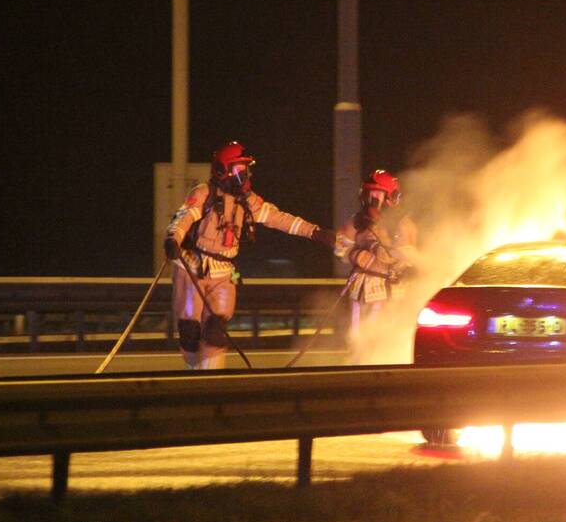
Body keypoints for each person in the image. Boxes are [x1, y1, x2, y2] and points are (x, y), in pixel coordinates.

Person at [164, 141, 335, 370]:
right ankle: (193, 375)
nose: (244, 176)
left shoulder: (248, 202)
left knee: (216, 331)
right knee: (190, 331)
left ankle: (210, 379)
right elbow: (183, 218)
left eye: (246, 170)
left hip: (223, 272)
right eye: (239, 170)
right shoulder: (203, 194)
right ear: (222, 170)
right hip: (191, 268)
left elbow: (279, 218)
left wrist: (315, 232)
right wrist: (173, 239)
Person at [334, 170, 418, 353]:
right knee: (359, 340)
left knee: (393, 340)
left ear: (391, 198)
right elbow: (339, 246)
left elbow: (410, 255)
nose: (372, 200)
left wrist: (394, 253)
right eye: (369, 194)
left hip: (395, 289)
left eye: (376, 194)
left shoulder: (404, 225)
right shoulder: (356, 222)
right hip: (364, 289)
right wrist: (354, 254)